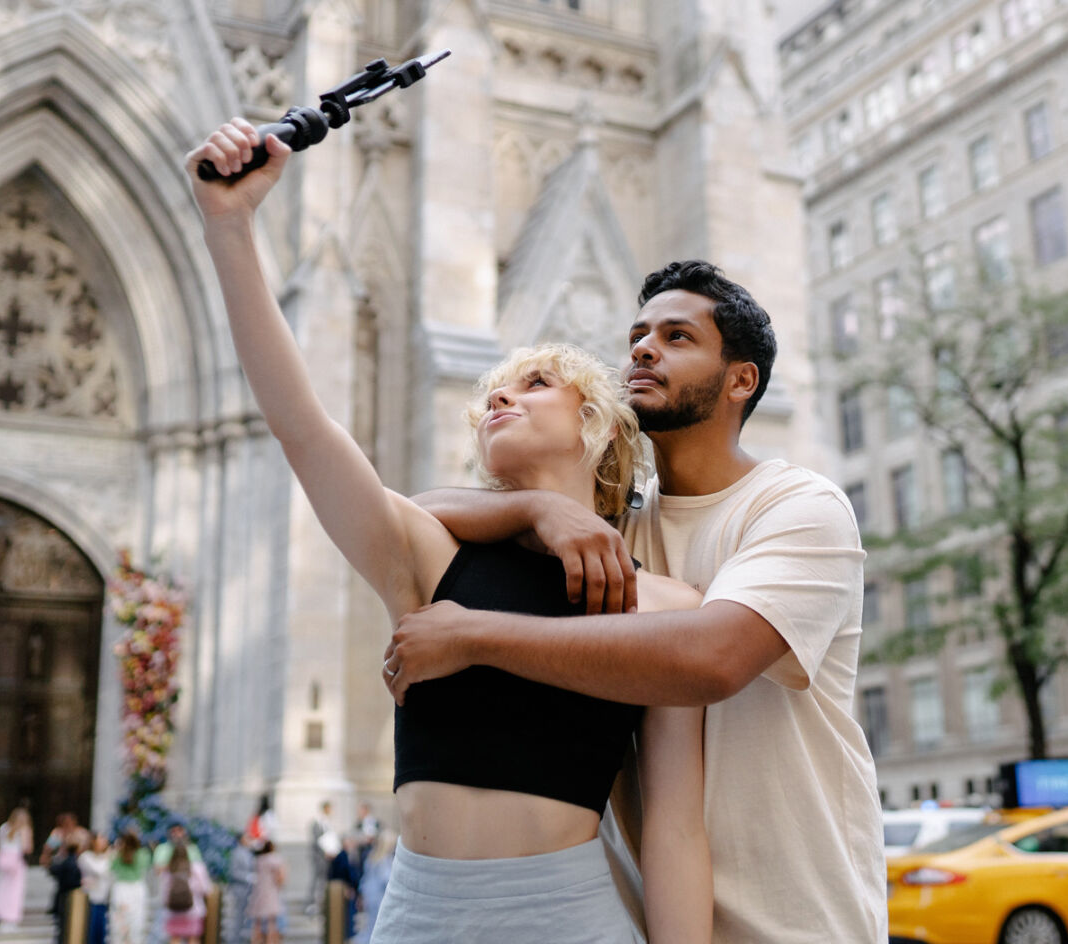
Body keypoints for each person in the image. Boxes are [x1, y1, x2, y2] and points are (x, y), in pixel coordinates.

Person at [186, 122, 711, 944]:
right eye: (492, 396)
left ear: (600, 427)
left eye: (535, 385)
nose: (502, 399)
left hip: (571, 918)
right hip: (417, 916)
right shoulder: (431, 554)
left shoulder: (670, 603)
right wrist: (230, 228)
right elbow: (303, 426)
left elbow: (675, 831)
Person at [385, 260, 887, 944]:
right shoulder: (609, 529)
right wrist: (534, 507)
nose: (644, 349)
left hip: (795, 921)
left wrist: (472, 636)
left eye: (678, 337)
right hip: (652, 921)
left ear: (741, 379)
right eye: (639, 335)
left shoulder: (799, 506)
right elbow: (420, 514)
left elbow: (713, 658)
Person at [0, 807, 34, 927]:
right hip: (16, 860)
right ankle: (11, 915)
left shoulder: (3, 827)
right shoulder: (24, 829)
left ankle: (0, 909)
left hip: (4, 858)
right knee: (15, 888)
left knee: (3, 885)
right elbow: (27, 848)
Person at [106, 832, 150, 944]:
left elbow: (110, 868)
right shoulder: (143, 854)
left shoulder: (117, 855)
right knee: (135, 925)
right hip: (137, 890)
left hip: (121, 890)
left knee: (119, 926)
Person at [160, 846, 210, 944]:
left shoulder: (168, 869)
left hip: (173, 912)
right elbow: (205, 889)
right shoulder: (196, 868)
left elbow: (164, 892)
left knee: (175, 938)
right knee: (193, 938)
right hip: (194, 910)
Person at [355, 833, 393, 944]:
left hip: (369, 895)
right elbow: (386, 879)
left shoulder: (371, 856)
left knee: (371, 925)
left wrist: (361, 894)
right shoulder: (384, 859)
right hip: (379, 897)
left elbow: (364, 879)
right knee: (377, 927)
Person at [48, 832, 85, 944]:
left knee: (64, 928)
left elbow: (52, 870)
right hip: (70, 898)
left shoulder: (64, 862)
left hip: (64, 897)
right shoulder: (73, 863)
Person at [247, 840, 286, 944]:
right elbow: (281, 877)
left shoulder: (259, 860)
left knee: (257, 924)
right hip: (270, 892)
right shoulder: (274, 859)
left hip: (258, 892)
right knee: (271, 923)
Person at [77, 833, 112, 944]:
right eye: (101, 840)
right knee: (91, 932)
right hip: (91, 899)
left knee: (102, 932)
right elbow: (99, 871)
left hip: (104, 898)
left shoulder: (108, 857)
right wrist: (109, 857)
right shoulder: (86, 857)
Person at [303, 802, 335, 916]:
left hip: (326, 857)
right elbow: (317, 840)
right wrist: (325, 851)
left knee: (323, 880)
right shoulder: (317, 822)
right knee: (316, 880)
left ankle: (320, 902)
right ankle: (310, 903)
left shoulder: (327, 822)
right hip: (319, 857)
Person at [326, 838, 359, 944]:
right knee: (344, 919)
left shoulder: (348, 856)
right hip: (343, 891)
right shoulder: (342, 857)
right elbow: (341, 874)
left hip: (348, 890)